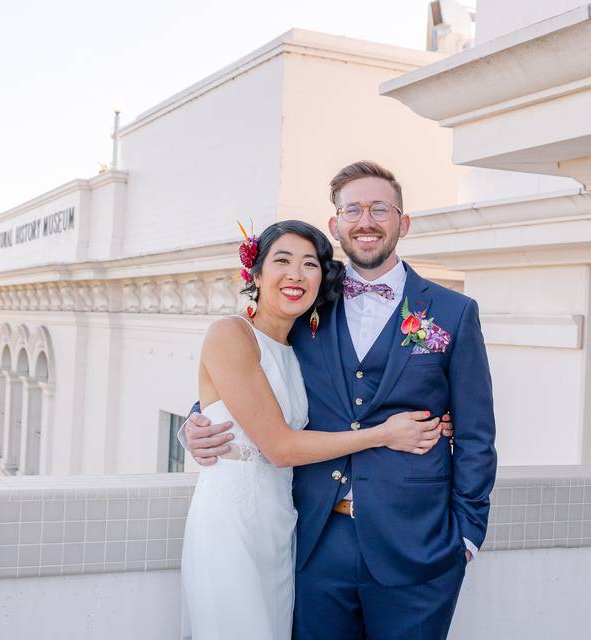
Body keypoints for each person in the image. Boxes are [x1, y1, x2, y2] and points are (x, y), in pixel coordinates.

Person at [183, 161, 497, 639]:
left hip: (417, 543)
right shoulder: (308, 304)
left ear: (402, 222)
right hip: (314, 538)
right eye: (353, 209)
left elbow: (476, 432)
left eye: (379, 209)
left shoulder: (453, 313)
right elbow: (256, 375)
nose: (365, 221)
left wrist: (467, 536)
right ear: (336, 224)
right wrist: (197, 422)